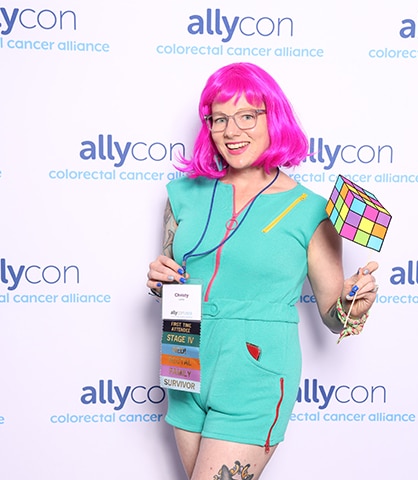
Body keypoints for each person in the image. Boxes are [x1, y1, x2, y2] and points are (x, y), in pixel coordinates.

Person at [147, 62, 378, 480]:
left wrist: (353, 305)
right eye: (219, 118)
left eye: (247, 116)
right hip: (184, 358)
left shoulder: (311, 211)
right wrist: (159, 280)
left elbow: (334, 315)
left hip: (255, 371)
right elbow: (171, 279)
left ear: (275, 119)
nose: (231, 131)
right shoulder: (181, 196)